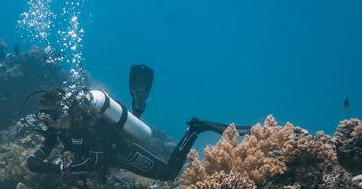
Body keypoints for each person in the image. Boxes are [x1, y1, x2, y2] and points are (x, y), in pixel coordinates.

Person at [25, 66, 250, 181]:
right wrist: (35, 159)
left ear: (63, 111)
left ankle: (195, 129)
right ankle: (138, 108)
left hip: (124, 153)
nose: (47, 122)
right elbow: (47, 145)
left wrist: (53, 168)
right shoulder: (58, 125)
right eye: (42, 116)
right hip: (111, 156)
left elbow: (94, 162)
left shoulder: (83, 124)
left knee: (169, 173)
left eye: (50, 116)